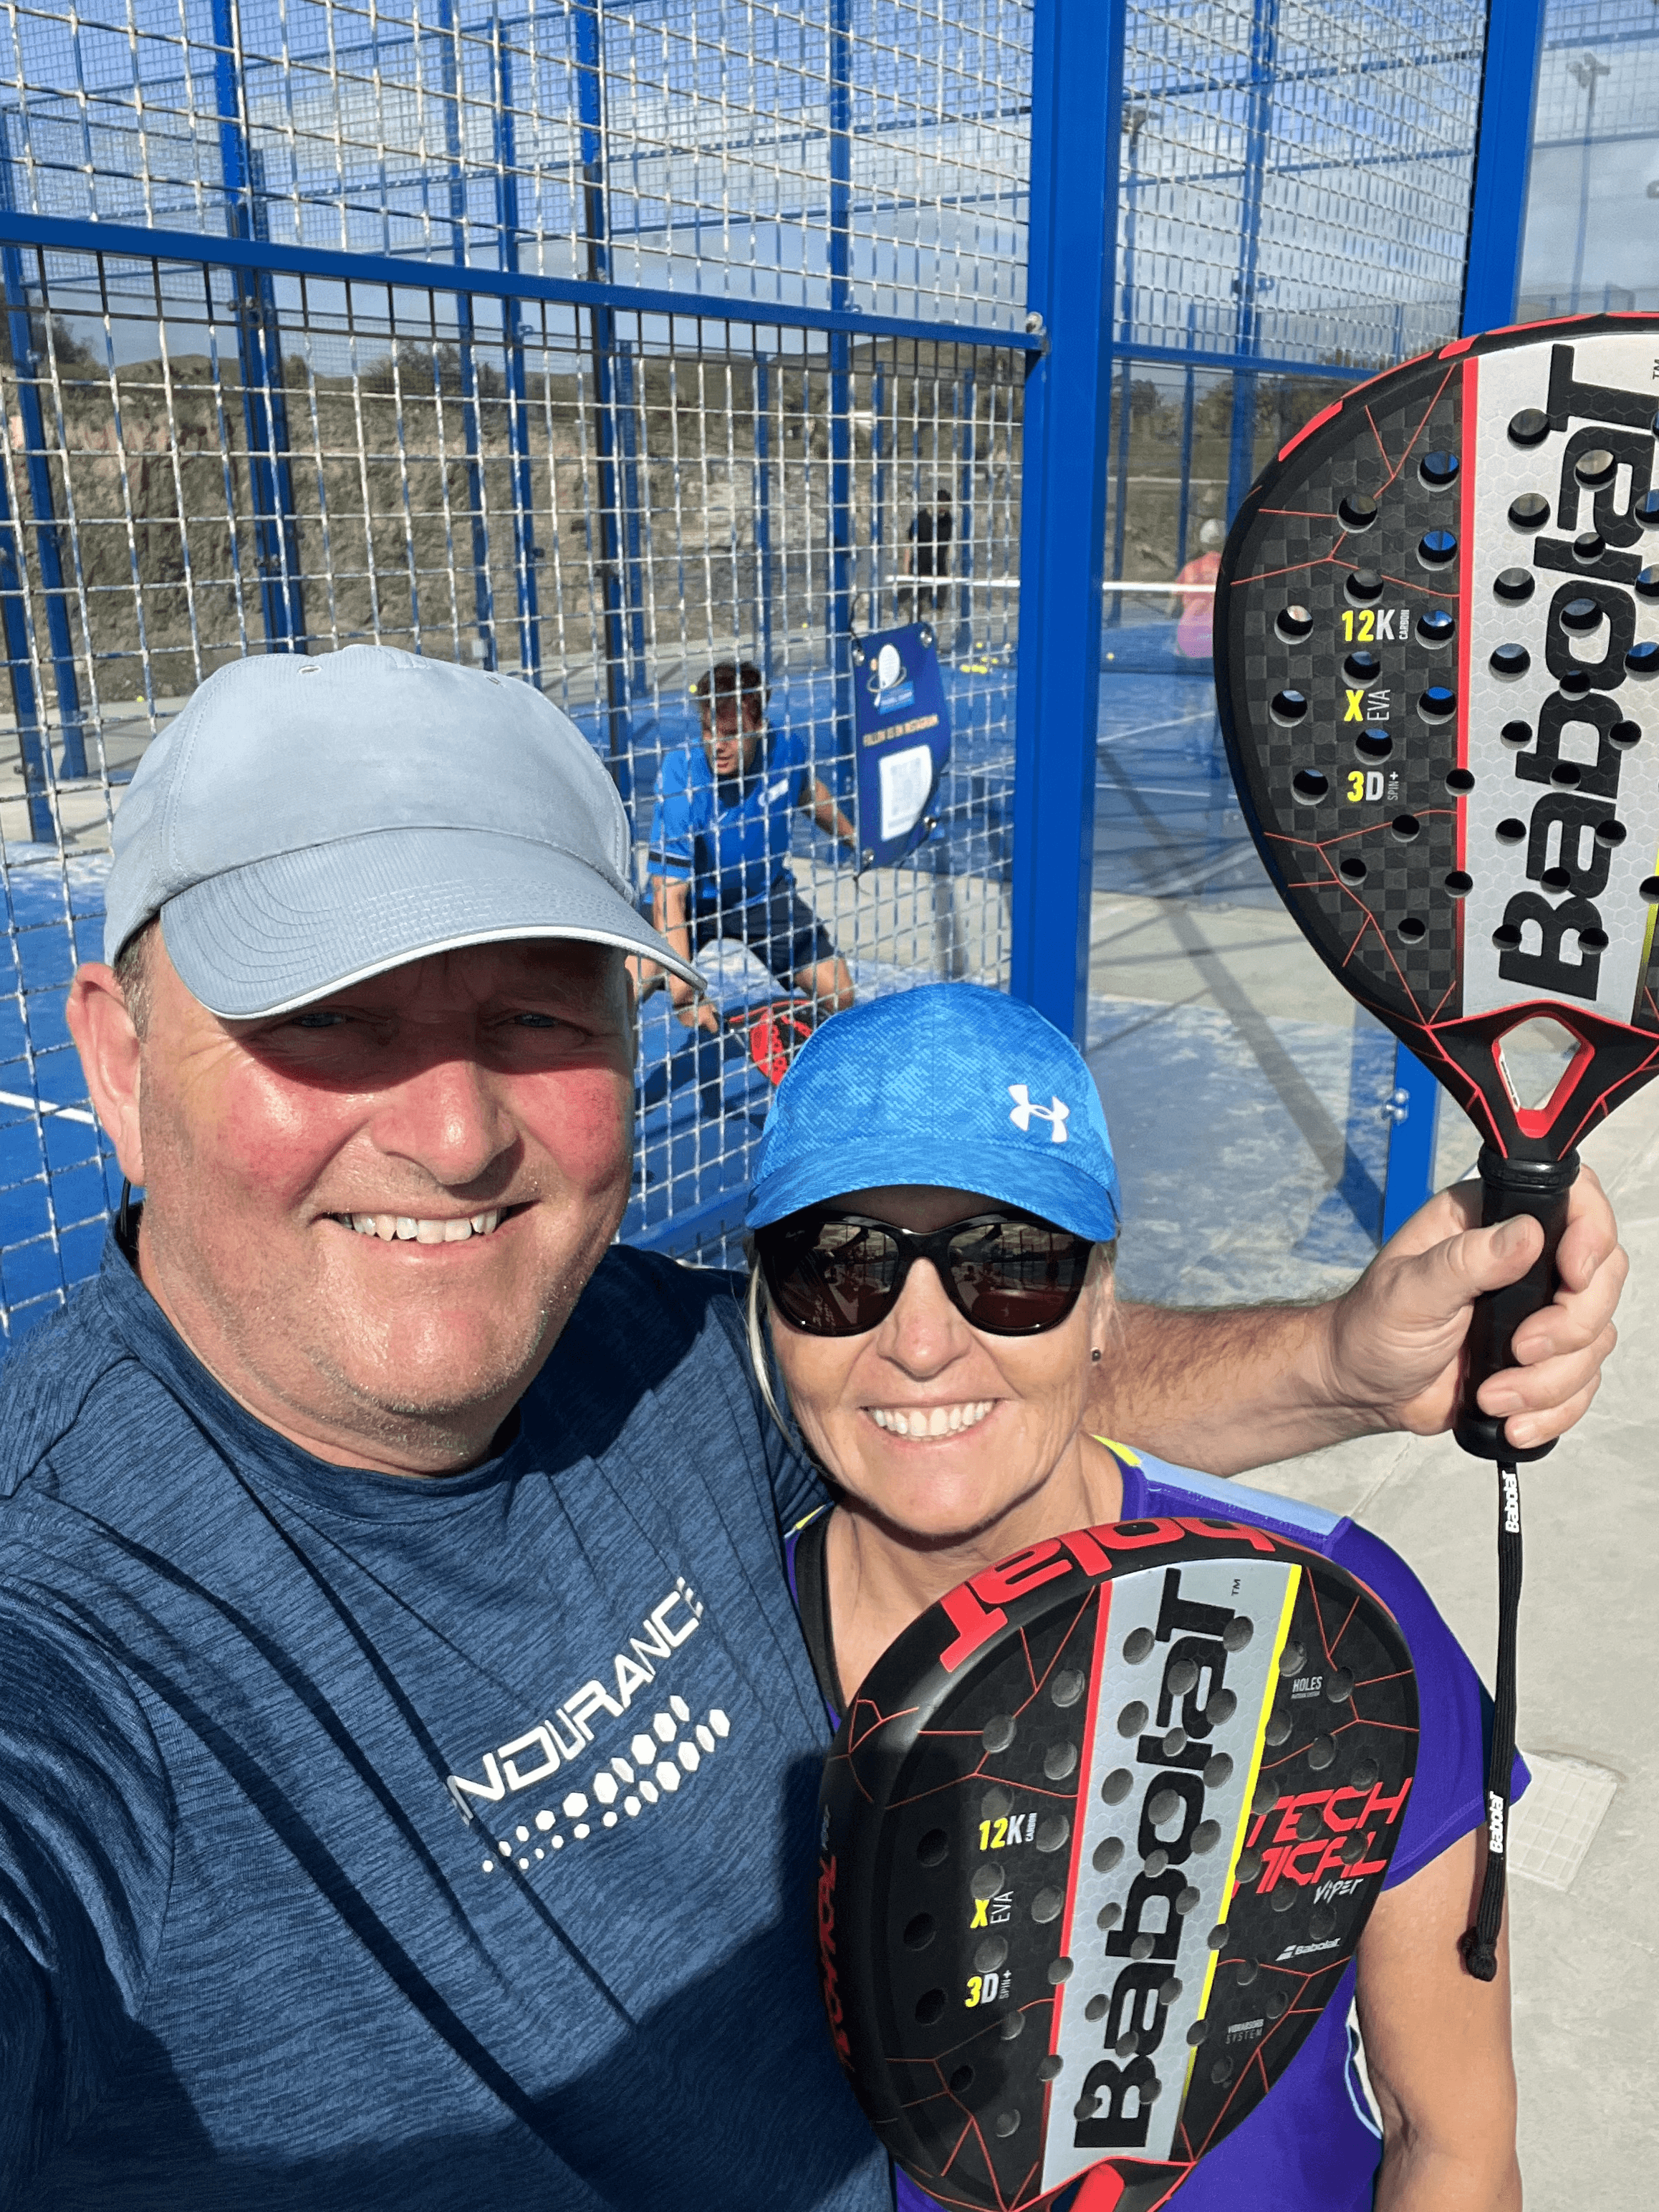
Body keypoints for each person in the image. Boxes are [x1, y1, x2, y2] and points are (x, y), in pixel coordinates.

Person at [0, 647, 1620, 2206]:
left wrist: (1337, 1361)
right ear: (117, 1063)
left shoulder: (628, 1346)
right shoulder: (65, 1607)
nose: (452, 1131)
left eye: (538, 1016)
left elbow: (943, 1402)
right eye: (331, 1018)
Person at [747, 986, 1523, 2212]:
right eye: (838, 1267)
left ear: (1106, 1300)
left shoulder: (1322, 1623)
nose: (922, 1340)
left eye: (1012, 1266)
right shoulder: (709, 1661)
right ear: (765, 1310)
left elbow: (1454, 2135)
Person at [648, 658, 857, 1034]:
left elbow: (809, 794)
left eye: (731, 733)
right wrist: (683, 992)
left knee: (839, 993)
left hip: (764, 895)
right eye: (709, 731)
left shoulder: (786, 748)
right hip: (695, 902)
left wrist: (852, 836)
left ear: (760, 727)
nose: (717, 746)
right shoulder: (681, 774)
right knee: (624, 987)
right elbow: (669, 898)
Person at [1172, 518, 1224, 660]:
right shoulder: (1233, 570)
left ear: (1203, 542)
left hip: (1188, 638)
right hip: (1219, 637)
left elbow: (1171, 609)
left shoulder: (1190, 568)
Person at [903, 489, 953, 619]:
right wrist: (906, 569)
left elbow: (949, 546)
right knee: (916, 603)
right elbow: (909, 543)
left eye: (947, 505)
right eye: (941, 504)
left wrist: (950, 569)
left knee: (938, 606)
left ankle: (935, 634)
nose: (944, 508)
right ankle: (914, 628)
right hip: (920, 566)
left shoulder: (948, 520)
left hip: (940, 568)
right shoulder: (920, 518)